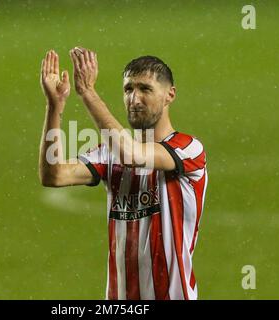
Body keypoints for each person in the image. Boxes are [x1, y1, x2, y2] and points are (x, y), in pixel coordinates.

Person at [39, 47, 208, 300]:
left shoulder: (188, 148)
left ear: (169, 95)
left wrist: (87, 92)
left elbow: (133, 157)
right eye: (128, 89)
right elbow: (54, 176)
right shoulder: (109, 154)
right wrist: (54, 107)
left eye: (145, 89)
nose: (134, 99)